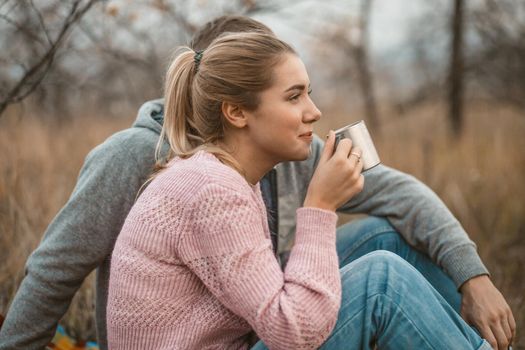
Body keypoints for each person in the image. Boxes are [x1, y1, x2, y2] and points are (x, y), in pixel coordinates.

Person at [0, 16, 514, 350]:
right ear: (232, 104)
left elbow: (400, 192)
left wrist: (474, 275)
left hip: (246, 321)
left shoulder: (278, 151)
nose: (314, 111)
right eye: (292, 95)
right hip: (244, 329)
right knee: (380, 278)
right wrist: (319, 207)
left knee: (384, 235)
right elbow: (53, 273)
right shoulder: (150, 161)